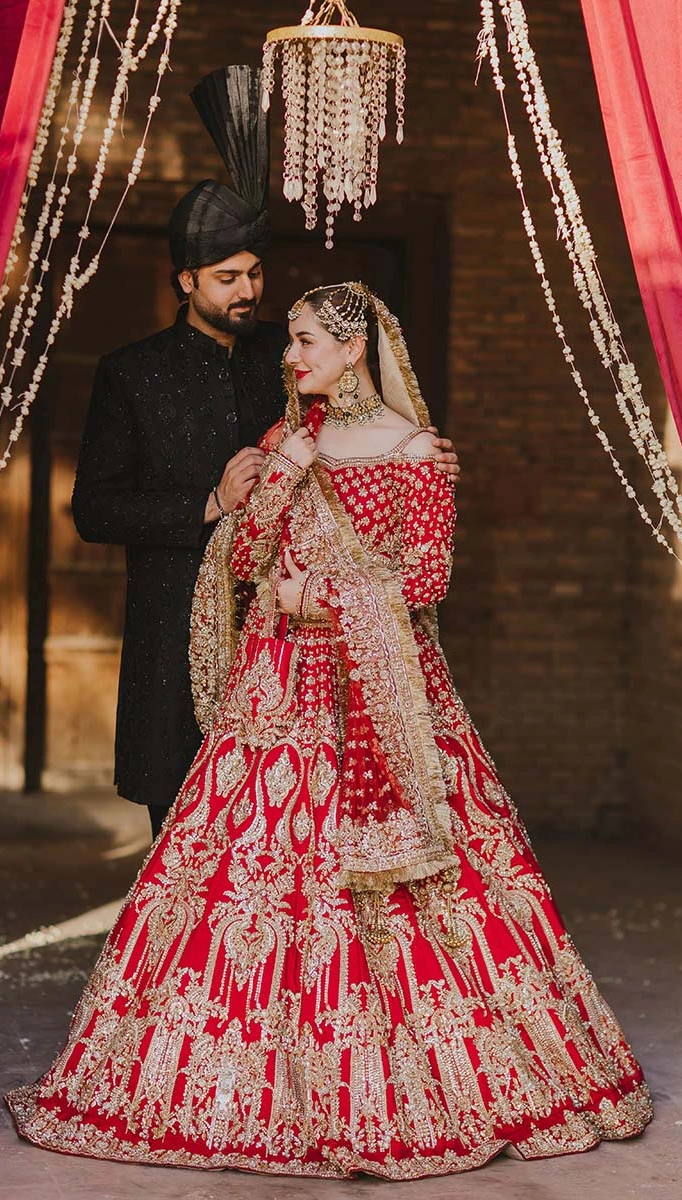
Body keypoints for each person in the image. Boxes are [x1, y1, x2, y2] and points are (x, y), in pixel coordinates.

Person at [7, 282, 651, 1176]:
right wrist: (283, 482)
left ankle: (429, 1081)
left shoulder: (418, 451)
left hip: (379, 698)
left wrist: (328, 597)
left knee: (423, 885)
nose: (292, 357)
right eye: (290, 346)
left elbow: (425, 580)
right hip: (271, 702)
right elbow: (241, 552)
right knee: (237, 885)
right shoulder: (286, 440)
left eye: (307, 342)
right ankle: (224, 1086)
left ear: (356, 349)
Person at [71, 66, 461, 839]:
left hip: (285, 635)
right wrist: (208, 504)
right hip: (176, 611)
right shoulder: (132, 374)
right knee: (182, 821)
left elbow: (359, 433)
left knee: (280, 831)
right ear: (186, 280)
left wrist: (424, 454)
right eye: (227, 278)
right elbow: (93, 508)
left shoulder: (288, 357)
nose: (248, 291)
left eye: (255, 272)